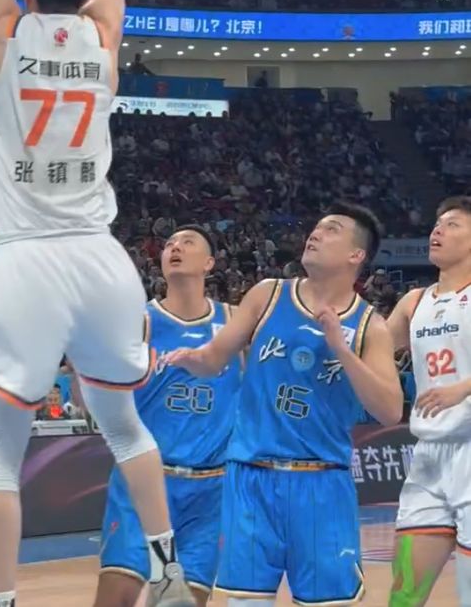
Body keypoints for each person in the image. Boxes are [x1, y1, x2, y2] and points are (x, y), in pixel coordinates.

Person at [0, 0, 194, 607]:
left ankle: (0, 601)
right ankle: (168, 569)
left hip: (25, 258)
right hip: (100, 254)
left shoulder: (2, 32)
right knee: (126, 426)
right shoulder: (103, 33)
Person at [168, 202, 403, 607]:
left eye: (331, 229)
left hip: (321, 483)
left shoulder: (370, 326)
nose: (316, 233)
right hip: (250, 477)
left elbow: (390, 410)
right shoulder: (268, 294)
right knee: (246, 601)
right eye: (317, 227)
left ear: (356, 254)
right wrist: (192, 358)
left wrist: (339, 347)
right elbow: (214, 357)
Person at [95, 226, 242, 607]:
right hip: (144, 481)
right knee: (115, 598)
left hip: (210, 490)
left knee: (183, 602)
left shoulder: (235, 323)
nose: (175, 247)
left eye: (187, 243)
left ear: (209, 263)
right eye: (169, 244)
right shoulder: (139, 321)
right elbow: (94, 396)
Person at [387, 196, 471, 607]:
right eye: (437, 223)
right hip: (428, 457)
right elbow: (372, 353)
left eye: (453, 224)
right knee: (404, 596)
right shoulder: (414, 301)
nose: (438, 230)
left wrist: (464, 388)